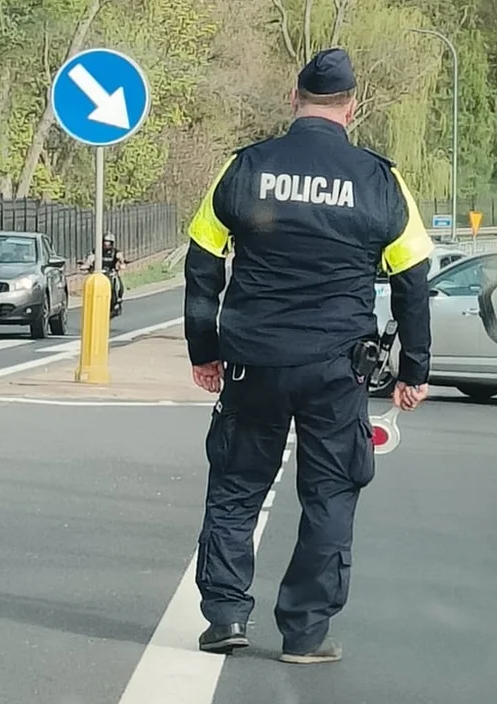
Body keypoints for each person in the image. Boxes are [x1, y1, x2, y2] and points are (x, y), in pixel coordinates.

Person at [184, 47, 433, 664]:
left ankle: (224, 617)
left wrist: (204, 350)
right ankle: (305, 633)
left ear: (294, 99)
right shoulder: (381, 180)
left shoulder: (244, 168)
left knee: (238, 486)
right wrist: (414, 369)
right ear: (352, 106)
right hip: (334, 368)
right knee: (329, 494)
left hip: (253, 363)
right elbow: (413, 279)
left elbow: (202, 262)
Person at [81, 232, 126, 304]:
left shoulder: (115, 252)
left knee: (119, 285)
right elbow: (90, 259)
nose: (106, 244)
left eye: (109, 243)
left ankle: (118, 298)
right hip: (99, 273)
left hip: (111, 272)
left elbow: (121, 258)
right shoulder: (97, 251)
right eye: (105, 242)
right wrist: (86, 265)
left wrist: (122, 264)